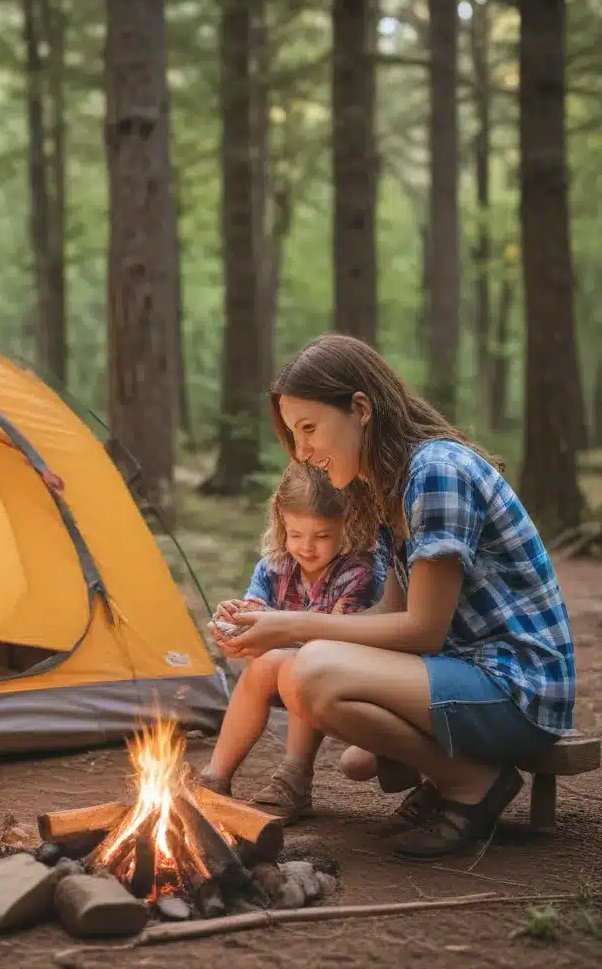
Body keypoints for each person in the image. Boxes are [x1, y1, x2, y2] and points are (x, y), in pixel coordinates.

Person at [213, 333, 575, 859]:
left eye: (309, 429)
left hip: (519, 683)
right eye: (294, 436)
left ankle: (472, 783)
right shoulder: (390, 486)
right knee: (307, 679)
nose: (303, 452)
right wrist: (271, 623)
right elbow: (391, 614)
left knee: (312, 671)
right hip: (468, 670)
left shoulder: (436, 471)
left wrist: (294, 628)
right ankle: (456, 777)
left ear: (360, 408)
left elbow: (423, 629)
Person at [196, 461, 381, 822]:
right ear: (281, 521)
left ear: (349, 525)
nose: (307, 548)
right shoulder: (274, 567)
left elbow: (336, 638)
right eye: (295, 534)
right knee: (266, 666)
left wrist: (275, 632)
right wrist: (236, 621)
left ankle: (295, 775)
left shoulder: (359, 572)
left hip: (345, 675)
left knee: (301, 659)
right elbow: (257, 611)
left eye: (322, 536)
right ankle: (216, 776)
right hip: (291, 666)